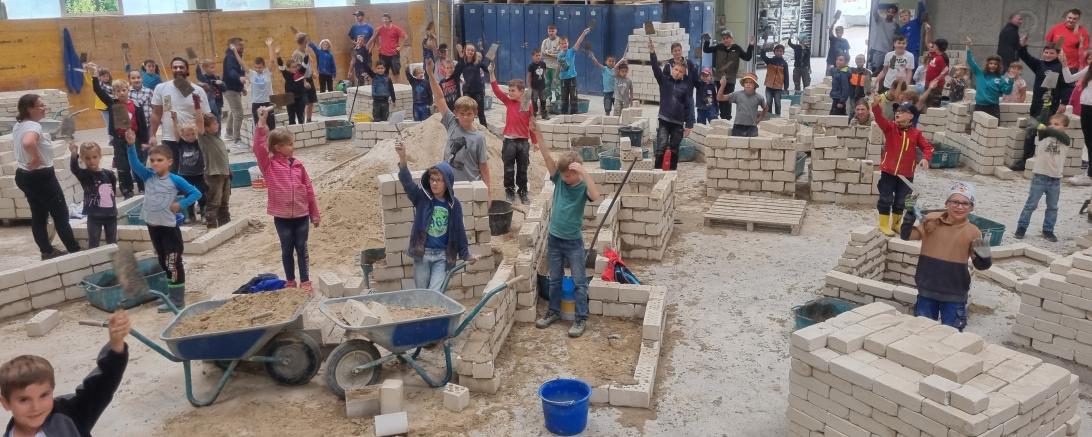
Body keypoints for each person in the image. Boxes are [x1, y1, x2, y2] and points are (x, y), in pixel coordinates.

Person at [0, 309, 131, 437]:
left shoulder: (69, 415)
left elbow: (101, 386)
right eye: (24, 400)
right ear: (5, 403)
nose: (36, 407)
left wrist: (116, 346)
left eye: (44, 395)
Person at [533, 119, 601, 338]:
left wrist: (585, 173)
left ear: (577, 173)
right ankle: (553, 312)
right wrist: (538, 133)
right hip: (554, 239)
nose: (564, 178)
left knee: (580, 282)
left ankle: (580, 318)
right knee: (555, 279)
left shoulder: (582, 187)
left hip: (573, 243)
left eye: (569, 175)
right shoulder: (560, 181)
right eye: (563, 175)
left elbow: (596, 196)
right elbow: (547, 157)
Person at [899, 181, 991, 331]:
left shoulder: (973, 232)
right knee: (921, 333)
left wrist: (985, 256)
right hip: (927, 290)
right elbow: (906, 235)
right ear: (946, 203)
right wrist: (909, 213)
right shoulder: (932, 221)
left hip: (954, 295)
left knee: (950, 337)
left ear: (971, 207)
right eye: (955, 202)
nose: (959, 207)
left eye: (965, 203)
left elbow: (981, 266)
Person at [127, 130, 201, 311]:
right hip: (153, 228)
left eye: (159, 160)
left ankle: (178, 300)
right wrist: (130, 145)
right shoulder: (148, 177)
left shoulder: (175, 180)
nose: (155, 163)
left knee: (172, 263)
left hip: (169, 229)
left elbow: (195, 193)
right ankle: (171, 294)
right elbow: (134, 164)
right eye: (152, 160)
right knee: (163, 261)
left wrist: (180, 204)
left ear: (169, 162)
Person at [252, 107, 320, 294]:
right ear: (277, 147)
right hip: (282, 217)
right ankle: (290, 281)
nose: (292, 147)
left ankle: (305, 281)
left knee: (302, 248)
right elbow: (258, 148)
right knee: (287, 248)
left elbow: (309, 190)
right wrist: (262, 122)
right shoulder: (269, 165)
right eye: (289, 144)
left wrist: (314, 214)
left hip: (301, 215)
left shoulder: (298, 165)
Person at [393, 141, 474, 292]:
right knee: (423, 293)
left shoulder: (453, 205)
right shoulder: (422, 198)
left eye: (439, 180)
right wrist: (403, 158)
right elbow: (407, 183)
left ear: (447, 182)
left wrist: (466, 254)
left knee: (435, 293)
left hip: (442, 257)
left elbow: (459, 230)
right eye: (432, 180)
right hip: (422, 254)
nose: (434, 183)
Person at [12, 94, 82, 259]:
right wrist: (36, 158)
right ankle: (74, 250)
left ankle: (47, 251)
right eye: (41, 106)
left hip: (24, 175)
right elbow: (28, 143)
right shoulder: (33, 127)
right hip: (42, 178)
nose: (45, 108)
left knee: (38, 214)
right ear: (30, 109)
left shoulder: (18, 125)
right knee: (61, 214)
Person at [427, 59, 491, 195]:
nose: (466, 117)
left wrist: (488, 192)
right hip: (449, 185)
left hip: (471, 188)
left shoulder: (479, 138)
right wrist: (430, 74)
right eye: (462, 114)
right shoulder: (451, 123)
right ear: (456, 113)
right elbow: (440, 98)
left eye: (469, 114)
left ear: (475, 114)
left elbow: (483, 165)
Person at [873, 98, 933, 236]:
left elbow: (928, 147)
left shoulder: (916, 134)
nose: (897, 113)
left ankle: (896, 224)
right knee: (886, 199)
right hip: (888, 172)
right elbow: (879, 118)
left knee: (902, 201)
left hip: (906, 175)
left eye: (902, 111)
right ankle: (883, 224)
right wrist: (875, 106)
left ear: (911, 116)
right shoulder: (890, 128)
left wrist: (925, 158)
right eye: (897, 111)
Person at [90, 68, 149, 199]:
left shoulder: (136, 105)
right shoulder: (112, 104)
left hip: (134, 140)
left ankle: (142, 188)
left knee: (137, 164)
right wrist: (94, 76)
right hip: (119, 140)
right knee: (123, 167)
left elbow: (142, 125)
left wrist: (145, 141)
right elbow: (98, 90)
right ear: (114, 93)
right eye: (118, 91)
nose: (121, 93)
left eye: (123, 90)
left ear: (128, 90)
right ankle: (127, 191)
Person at [1015, 115, 1071, 242]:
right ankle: (1021, 228)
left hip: (1055, 180)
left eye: (1057, 124)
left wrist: (1045, 127)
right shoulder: (1043, 136)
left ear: (1065, 128)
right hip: (1039, 178)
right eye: (1051, 124)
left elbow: (1058, 134)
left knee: (1052, 207)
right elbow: (1043, 126)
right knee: (1031, 205)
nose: (1052, 126)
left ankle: (1048, 230)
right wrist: (1046, 108)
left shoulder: (1065, 140)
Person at [150, 57, 211, 162]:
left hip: (192, 139)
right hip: (169, 139)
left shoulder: (198, 91)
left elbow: (206, 116)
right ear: (172, 70)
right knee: (172, 170)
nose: (178, 69)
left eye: (181, 67)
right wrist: (152, 135)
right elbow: (156, 113)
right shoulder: (161, 88)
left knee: (193, 170)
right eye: (175, 67)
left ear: (187, 70)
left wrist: (209, 138)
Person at [649, 37, 695, 171]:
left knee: (674, 149)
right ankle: (657, 172)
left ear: (683, 74)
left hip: (678, 124)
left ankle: (672, 173)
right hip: (664, 120)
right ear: (672, 69)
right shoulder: (664, 81)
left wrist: (689, 125)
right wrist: (652, 52)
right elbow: (655, 68)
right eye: (676, 70)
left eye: (680, 72)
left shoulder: (685, 87)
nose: (677, 73)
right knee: (661, 147)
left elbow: (689, 107)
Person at [489, 63, 532, 204]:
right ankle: (509, 191)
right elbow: (496, 90)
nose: (509, 93)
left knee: (523, 169)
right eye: (509, 90)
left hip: (523, 142)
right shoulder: (509, 102)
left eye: (513, 91)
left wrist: (535, 141)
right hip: (509, 141)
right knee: (508, 169)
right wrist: (491, 73)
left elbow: (532, 124)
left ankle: (523, 191)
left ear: (522, 91)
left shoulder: (527, 104)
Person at [69, 141, 117, 247]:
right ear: (82, 159)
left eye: (94, 157)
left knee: (112, 243)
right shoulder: (84, 175)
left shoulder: (109, 174)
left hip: (110, 215)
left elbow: (113, 192)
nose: (91, 161)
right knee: (94, 243)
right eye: (87, 158)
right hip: (94, 216)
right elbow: (74, 168)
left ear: (100, 156)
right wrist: (74, 153)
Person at [701, 31, 755, 120]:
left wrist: (751, 45)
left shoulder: (737, 48)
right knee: (720, 99)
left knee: (728, 99)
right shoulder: (719, 47)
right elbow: (706, 50)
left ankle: (727, 118)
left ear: (731, 38)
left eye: (727, 38)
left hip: (730, 79)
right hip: (719, 78)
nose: (725, 40)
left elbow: (747, 57)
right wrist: (707, 40)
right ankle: (723, 118)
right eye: (724, 38)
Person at [1061, 51, 1092, 186]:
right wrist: (1064, 65)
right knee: (1088, 141)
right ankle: (1089, 174)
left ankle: (1089, 176)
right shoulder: (1089, 69)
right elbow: (1069, 79)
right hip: (1086, 107)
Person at [1017, 35, 1065, 120]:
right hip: (1036, 101)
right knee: (1033, 123)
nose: (1048, 55)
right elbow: (1026, 57)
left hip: (1051, 103)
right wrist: (1022, 45)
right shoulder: (1039, 64)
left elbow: (1066, 86)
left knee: (1044, 124)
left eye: (1052, 53)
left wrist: (1064, 103)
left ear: (1057, 54)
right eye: (1046, 52)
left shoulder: (1061, 67)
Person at [170, 114, 207, 223]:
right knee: (188, 195)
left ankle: (204, 214)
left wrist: (199, 117)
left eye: (193, 134)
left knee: (201, 194)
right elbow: (176, 133)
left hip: (199, 173)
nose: (190, 137)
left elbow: (201, 130)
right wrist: (174, 120)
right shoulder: (181, 143)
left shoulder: (198, 142)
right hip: (185, 174)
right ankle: (191, 215)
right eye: (187, 135)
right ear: (183, 135)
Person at [196, 112, 231, 228]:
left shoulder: (217, 138)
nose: (217, 125)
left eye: (217, 122)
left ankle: (225, 224)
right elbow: (199, 122)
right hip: (213, 175)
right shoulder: (204, 138)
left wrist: (229, 170)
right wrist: (197, 107)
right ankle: (211, 226)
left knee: (224, 202)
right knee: (214, 202)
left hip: (224, 173)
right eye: (214, 123)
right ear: (206, 128)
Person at [965, 37, 1013, 118]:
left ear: (998, 66)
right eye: (991, 63)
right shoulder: (980, 74)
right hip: (980, 106)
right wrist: (968, 47)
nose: (993, 66)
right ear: (987, 64)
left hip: (993, 107)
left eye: (995, 64)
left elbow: (1007, 91)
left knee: (994, 126)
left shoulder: (1001, 78)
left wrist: (1011, 81)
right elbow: (971, 62)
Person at [453, 44, 490, 126]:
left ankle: (485, 129)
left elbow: (487, 70)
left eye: (472, 50)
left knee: (480, 112)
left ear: (474, 52)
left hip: (478, 91)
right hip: (467, 91)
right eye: (468, 50)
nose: (470, 52)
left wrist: (491, 63)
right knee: (468, 111)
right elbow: (456, 75)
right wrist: (460, 82)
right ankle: (470, 127)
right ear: (465, 51)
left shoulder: (477, 62)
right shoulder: (462, 63)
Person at [558, 28, 592, 116]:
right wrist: (556, 77)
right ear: (560, 45)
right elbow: (559, 66)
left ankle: (574, 115)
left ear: (568, 43)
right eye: (562, 43)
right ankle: (563, 115)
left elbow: (578, 42)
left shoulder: (571, 51)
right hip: (563, 79)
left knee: (574, 97)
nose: (564, 45)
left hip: (572, 78)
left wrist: (583, 33)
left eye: (565, 43)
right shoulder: (559, 55)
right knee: (564, 98)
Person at [248, 38, 277, 132]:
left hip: (268, 102)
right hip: (256, 103)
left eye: (260, 67)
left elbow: (272, 61)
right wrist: (235, 52)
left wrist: (270, 46)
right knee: (259, 127)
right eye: (256, 67)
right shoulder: (252, 74)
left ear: (263, 66)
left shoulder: (267, 73)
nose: (258, 69)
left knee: (271, 127)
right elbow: (241, 63)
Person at [221, 37, 246, 145]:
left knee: (234, 111)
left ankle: (228, 132)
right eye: (240, 45)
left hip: (234, 88)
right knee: (239, 113)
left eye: (243, 45)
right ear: (233, 46)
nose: (242, 47)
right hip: (230, 89)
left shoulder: (236, 56)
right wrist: (239, 78)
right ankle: (237, 139)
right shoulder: (230, 57)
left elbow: (238, 70)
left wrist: (242, 87)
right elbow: (231, 71)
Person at [369, 13, 407, 82]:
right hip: (383, 54)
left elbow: (405, 37)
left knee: (396, 72)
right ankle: (385, 86)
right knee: (383, 72)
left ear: (390, 20)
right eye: (383, 19)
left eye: (386, 19)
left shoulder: (396, 28)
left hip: (394, 54)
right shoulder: (380, 29)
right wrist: (378, 46)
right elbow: (375, 36)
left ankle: (397, 85)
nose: (384, 20)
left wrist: (400, 47)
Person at [276, 48, 309, 125]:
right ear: (288, 68)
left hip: (300, 98)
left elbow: (305, 64)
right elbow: (281, 66)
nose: (296, 68)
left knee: (301, 119)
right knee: (291, 119)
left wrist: (306, 54)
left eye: (296, 66)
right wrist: (278, 55)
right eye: (293, 67)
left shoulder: (300, 73)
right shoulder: (286, 74)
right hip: (289, 99)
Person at [291, 33, 319, 123]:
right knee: (303, 102)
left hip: (309, 78)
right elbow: (297, 70)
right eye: (307, 41)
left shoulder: (306, 52)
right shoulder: (296, 54)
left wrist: (313, 72)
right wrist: (304, 82)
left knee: (311, 100)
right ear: (304, 42)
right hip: (302, 80)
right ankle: (301, 121)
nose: (308, 42)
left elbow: (309, 64)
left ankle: (309, 120)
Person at [868, 4, 899, 73]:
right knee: (875, 71)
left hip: (890, 52)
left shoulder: (896, 25)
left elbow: (896, 40)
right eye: (889, 11)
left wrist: (894, 52)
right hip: (878, 51)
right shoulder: (879, 20)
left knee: (889, 71)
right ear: (886, 12)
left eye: (892, 12)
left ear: (895, 14)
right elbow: (874, 11)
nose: (890, 13)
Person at [760, 44, 789, 116]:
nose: (779, 52)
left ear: (783, 53)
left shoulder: (784, 64)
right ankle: (769, 116)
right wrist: (763, 49)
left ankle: (777, 117)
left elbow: (786, 76)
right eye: (777, 51)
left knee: (777, 103)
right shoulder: (770, 61)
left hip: (778, 88)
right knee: (768, 103)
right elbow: (763, 56)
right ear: (774, 52)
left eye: (780, 51)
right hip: (769, 86)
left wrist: (786, 88)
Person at [195, 59, 224, 129]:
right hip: (211, 102)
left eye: (214, 67)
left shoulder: (216, 77)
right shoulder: (204, 78)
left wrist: (221, 84)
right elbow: (199, 75)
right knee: (214, 119)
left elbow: (224, 88)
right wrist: (197, 66)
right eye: (211, 67)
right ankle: (214, 132)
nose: (213, 69)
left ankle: (218, 132)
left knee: (219, 119)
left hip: (219, 101)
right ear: (205, 69)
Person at [922, 39, 950, 107]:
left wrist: (935, 80)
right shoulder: (935, 55)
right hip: (928, 83)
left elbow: (945, 71)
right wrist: (928, 33)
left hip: (935, 86)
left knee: (932, 105)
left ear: (937, 46)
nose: (932, 46)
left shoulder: (941, 58)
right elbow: (927, 44)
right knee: (926, 103)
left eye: (934, 45)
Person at [541, 25, 562, 105]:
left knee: (556, 83)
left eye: (552, 31)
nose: (551, 33)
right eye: (549, 31)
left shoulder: (560, 41)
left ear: (556, 31)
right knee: (547, 84)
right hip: (546, 66)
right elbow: (543, 54)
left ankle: (558, 102)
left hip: (556, 67)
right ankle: (550, 101)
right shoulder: (545, 41)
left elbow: (560, 55)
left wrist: (548, 53)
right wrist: (553, 53)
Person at [826, 11, 851, 75]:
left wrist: (847, 62)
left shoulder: (845, 41)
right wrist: (835, 20)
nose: (839, 33)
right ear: (836, 32)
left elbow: (847, 53)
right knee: (829, 74)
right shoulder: (833, 39)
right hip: (831, 59)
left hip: (840, 60)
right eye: (837, 31)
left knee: (839, 74)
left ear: (842, 32)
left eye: (840, 31)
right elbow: (830, 30)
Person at [527, 49, 548, 120]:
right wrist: (529, 86)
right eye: (536, 55)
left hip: (542, 86)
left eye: (539, 55)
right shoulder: (531, 66)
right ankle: (534, 114)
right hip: (534, 87)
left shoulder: (543, 64)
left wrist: (545, 82)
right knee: (534, 100)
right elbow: (529, 76)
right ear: (533, 56)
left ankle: (544, 114)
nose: (538, 57)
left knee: (543, 100)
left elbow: (544, 73)